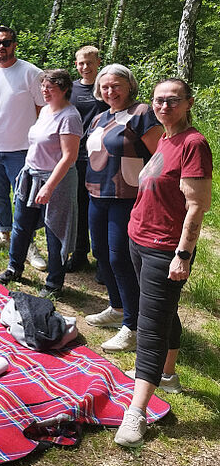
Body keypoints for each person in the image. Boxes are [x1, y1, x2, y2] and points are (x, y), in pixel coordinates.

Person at [114, 78, 212, 447]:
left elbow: (196, 206)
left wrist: (183, 254)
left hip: (165, 248)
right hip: (140, 239)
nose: (164, 106)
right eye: (158, 100)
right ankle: (166, 374)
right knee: (163, 312)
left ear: (188, 103)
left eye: (173, 100)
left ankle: (136, 413)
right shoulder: (166, 139)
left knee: (150, 325)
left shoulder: (193, 144)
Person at [84, 64, 163, 353]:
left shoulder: (142, 113)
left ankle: (133, 326)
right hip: (96, 194)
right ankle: (117, 307)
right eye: (105, 86)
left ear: (130, 85)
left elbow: (161, 156)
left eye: (116, 85)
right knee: (101, 254)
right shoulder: (100, 117)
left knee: (121, 259)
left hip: (128, 197)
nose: (110, 91)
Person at [0, 69, 82, 297]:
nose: (44, 91)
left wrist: (49, 186)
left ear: (64, 89)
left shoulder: (70, 117)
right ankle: (14, 268)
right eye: (43, 87)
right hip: (31, 176)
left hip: (56, 181)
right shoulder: (45, 111)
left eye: (50, 87)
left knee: (55, 230)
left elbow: (69, 157)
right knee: (21, 224)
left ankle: (54, 283)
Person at [0, 26, 47, 270]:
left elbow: (43, 109)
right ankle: (4, 235)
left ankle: (27, 242)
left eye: (6, 42)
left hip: (22, 149)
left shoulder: (31, 73)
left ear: (15, 44)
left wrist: (37, 143)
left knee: (24, 199)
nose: (1, 47)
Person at [67, 46, 108, 272]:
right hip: (75, 157)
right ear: (76, 64)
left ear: (98, 62)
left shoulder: (107, 88)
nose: (85, 67)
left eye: (89, 63)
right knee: (79, 208)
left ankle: (103, 261)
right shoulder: (70, 89)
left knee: (100, 208)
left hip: (103, 158)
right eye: (81, 63)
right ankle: (79, 253)